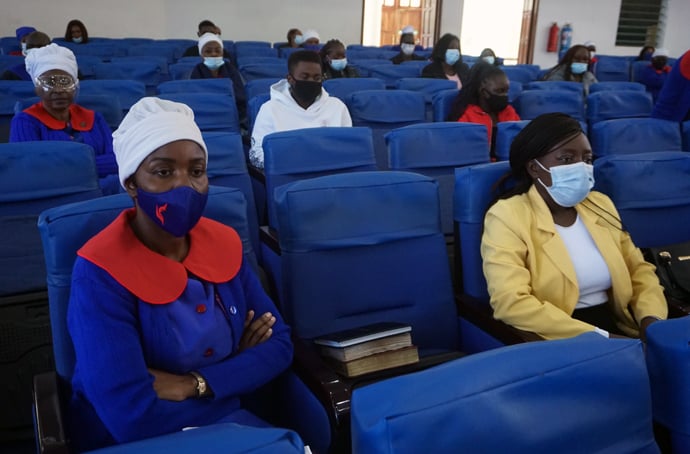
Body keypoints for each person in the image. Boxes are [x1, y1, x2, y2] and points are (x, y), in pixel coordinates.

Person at [66, 96, 293, 452]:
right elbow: (129, 414)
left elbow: (278, 345)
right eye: (163, 171)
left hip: (229, 421)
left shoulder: (224, 242)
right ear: (131, 183)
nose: (184, 186)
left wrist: (194, 384)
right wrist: (236, 371)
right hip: (136, 439)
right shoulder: (99, 269)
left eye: (197, 171)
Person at [481, 112, 667, 341]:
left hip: (620, 324)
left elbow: (639, 271)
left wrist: (652, 322)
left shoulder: (600, 204)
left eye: (587, 159)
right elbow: (511, 302)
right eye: (567, 159)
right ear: (534, 168)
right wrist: (603, 339)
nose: (581, 167)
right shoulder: (507, 215)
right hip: (555, 335)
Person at [9, 44, 117, 193]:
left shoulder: (94, 118)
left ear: (75, 85)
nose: (59, 90)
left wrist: (62, 167)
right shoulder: (25, 122)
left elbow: (117, 161)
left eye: (65, 82)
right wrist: (92, 167)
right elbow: (30, 171)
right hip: (55, 195)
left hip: (103, 192)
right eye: (50, 83)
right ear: (36, 88)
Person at [249, 50, 352, 169]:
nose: (311, 82)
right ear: (290, 79)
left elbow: (348, 148)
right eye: (305, 77)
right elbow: (257, 154)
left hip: (331, 173)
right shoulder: (270, 109)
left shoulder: (337, 107)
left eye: (316, 78)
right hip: (289, 174)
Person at [447, 62, 520, 149]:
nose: (505, 96)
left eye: (506, 91)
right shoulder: (467, 117)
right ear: (483, 92)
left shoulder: (509, 111)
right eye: (500, 91)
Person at [190, 33, 247, 122]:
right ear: (201, 54)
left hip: (230, 115)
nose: (213, 54)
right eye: (208, 51)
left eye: (217, 51)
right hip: (204, 115)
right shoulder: (197, 71)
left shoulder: (230, 69)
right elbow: (196, 99)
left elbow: (240, 97)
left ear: (222, 52)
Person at [651, 48, 690, 122]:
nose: (662, 61)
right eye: (659, 59)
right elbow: (657, 81)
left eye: (664, 59)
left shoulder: (668, 69)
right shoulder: (648, 70)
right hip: (655, 96)